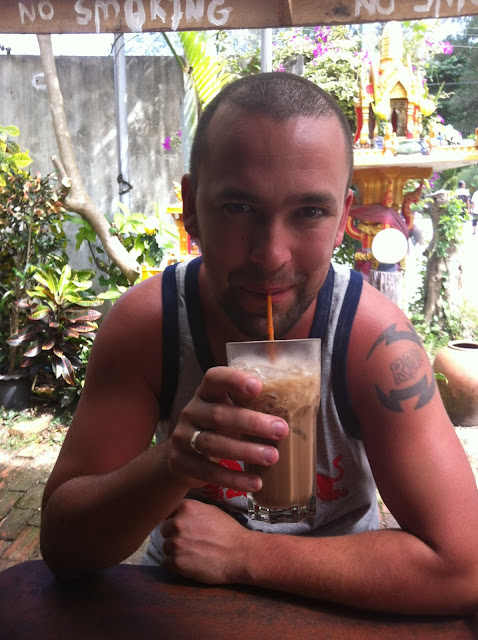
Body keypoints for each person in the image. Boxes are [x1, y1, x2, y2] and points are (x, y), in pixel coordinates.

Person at [40, 73, 478, 615]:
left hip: (338, 612)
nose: (271, 255)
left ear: (344, 219)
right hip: (183, 612)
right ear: (192, 207)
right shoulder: (147, 327)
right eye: (238, 208)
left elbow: (465, 567)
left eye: (309, 212)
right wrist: (170, 466)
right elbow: (63, 547)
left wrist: (247, 554)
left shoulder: (373, 343)